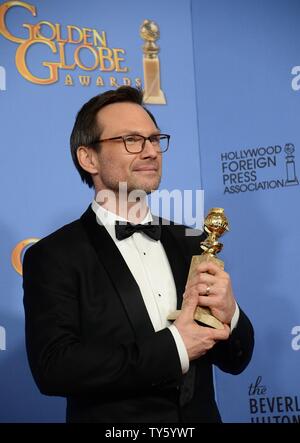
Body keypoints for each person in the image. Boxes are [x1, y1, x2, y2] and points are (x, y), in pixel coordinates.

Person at [23, 86, 254, 423]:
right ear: (88, 158)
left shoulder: (194, 240)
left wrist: (230, 312)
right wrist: (175, 347)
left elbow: (236, 360)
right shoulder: (54, 255)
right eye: (131, 140)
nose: (150, 152)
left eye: (154, 139)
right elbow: (54, 368)